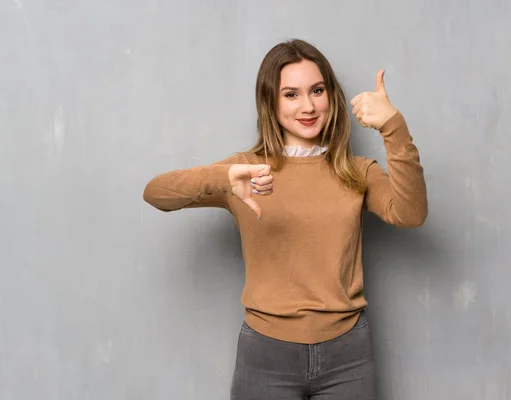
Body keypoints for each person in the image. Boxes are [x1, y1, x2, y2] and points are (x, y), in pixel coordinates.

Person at [143, 38, 428, 400]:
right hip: (266, 355)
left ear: (331, 96)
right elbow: (156, 193)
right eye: (290, 94)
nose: (307, 106)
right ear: (270, 102)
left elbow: (411, 213)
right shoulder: (247, 171)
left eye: (317, 90)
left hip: (348, 355)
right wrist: (224, 178)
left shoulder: (356, 171)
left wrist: (394, 127)